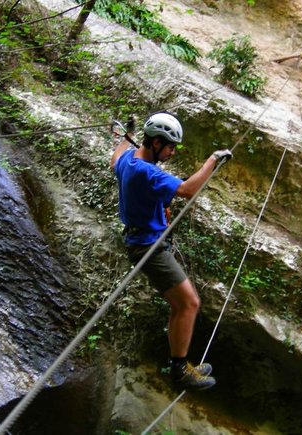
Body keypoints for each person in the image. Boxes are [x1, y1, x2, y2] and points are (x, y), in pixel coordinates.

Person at [110, 112, 232, 390]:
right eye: (169, 146)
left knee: (182, 304)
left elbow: (114, 160)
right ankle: (179, 370)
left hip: (143, 242)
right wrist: (213, 160)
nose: (172, 152)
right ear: (154, 143)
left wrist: (124, 137)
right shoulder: (147, 172)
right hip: (148, 248)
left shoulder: (130, 161)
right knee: (188, 304)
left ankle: (181, 364)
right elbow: (188, 190)